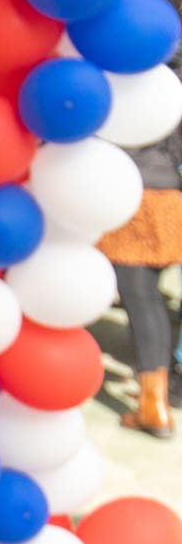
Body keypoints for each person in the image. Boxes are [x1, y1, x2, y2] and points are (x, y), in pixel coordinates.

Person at [99, 121, 182, 440]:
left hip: (134, 195)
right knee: (150, 298)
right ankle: (154, 394)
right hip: (168, 193)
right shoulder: (170, 86)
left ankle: (153, 404)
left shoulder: (130, 79)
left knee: (139, 297)